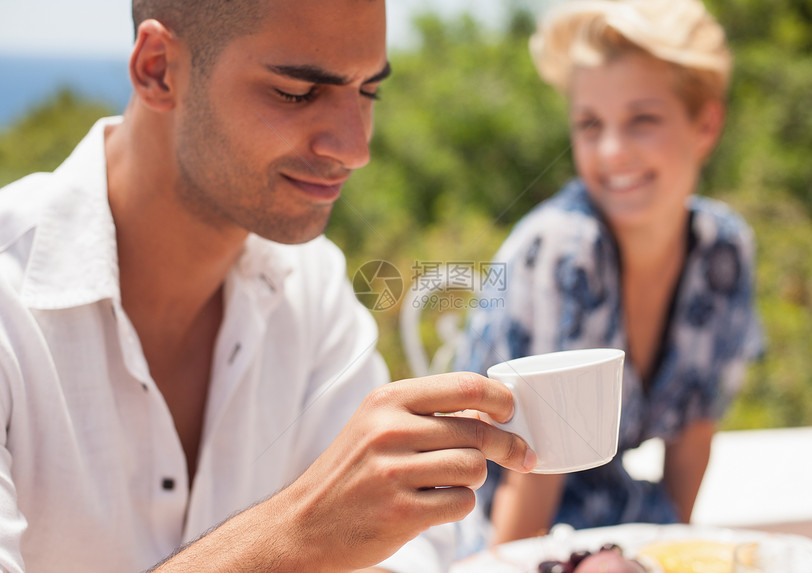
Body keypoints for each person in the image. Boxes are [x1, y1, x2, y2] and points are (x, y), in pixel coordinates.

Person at [0, 1, 537, 571]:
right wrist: (298, 533)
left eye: (368, 92)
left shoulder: (312, 286)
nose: (355, 149)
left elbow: (409, 553)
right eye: (297, 92)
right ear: (158, 68)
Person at [456, 0, 764, 543]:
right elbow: (528, 480)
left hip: (616, 515)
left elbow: (694, 432)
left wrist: (675, 555)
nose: (612, 152)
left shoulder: (724, 250)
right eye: (589, 124)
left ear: (705, 124)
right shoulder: (566, 250)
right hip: (497, 521)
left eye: (642, 120)